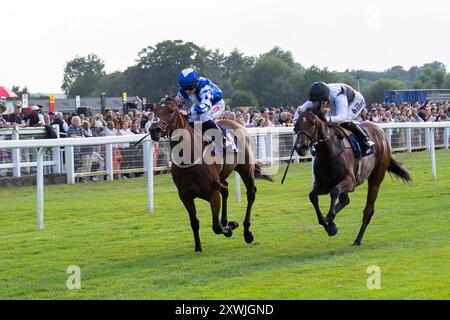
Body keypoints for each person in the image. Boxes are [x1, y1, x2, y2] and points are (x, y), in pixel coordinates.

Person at [294, 82, 375, 148]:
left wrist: (327, 119)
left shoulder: (339, 96)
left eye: (318, 102)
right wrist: (295, 123)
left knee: (345, 121)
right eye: (314, 102)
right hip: (333, 102)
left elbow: (342, 117)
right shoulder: (315, 98)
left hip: (355, 100)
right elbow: (299, 110)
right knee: (324, 122)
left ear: (324, 100)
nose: (315, 104)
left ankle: (365, 139)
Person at [175, 67, 237, 152]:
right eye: (185, 88)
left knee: (204, 117)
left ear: (196, 83)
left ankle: (223, 140)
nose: (187, 91)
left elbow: (205, 106)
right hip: (199, 104)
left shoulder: (205, 86)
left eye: (190, 87)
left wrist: (189, 112)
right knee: (188, 119)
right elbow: (178, 105)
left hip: (216, 104)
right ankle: (197, 139)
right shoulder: (183, 90)